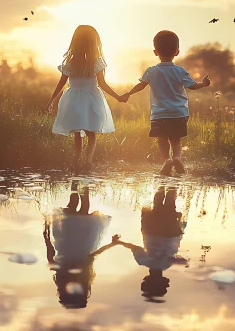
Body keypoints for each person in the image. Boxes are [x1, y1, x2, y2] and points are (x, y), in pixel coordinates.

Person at [122, 30, 210, 174]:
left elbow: (141, 86)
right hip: (178, 113)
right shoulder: (180, 71)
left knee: (162, 139)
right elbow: (193, 86)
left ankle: (166, 160)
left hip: (159, 113)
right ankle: (177, 157)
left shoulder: (151, 71)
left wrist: (128, 93)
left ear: (156, 52)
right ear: (177, 52)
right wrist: (204, 83)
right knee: (176, 140)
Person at [45, 25, 128, 170]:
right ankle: (88, 160)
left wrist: (51, 100)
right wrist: (118, 97)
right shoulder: (96, 62)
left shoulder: (71, 62)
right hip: (91, 98)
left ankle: (77, 160)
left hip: (73, 100)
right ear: (94, 42)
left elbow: (61, 83)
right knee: (91, 132)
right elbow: (102, 84)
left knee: (77, 131)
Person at [43, 180, 120, 309]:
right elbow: (51, 257)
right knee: (75, 206)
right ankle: (77, 180)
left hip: (80, 240)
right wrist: (46, 238)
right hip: (68, 239)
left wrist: (112, 244)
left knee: (83, 207)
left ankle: (81, 180)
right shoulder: (68, 275)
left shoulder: (82, 276)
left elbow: (94, 255)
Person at [116, 186, 186, 302]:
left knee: (170, 203)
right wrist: (119, 242)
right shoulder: (143, 261)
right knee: (157, 204)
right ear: (146, 280)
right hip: (152, 229)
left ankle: (173, 182)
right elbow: (134, 247)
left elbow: (180, 256)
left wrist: (184, 262)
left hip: (171, 231)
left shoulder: (167, 264)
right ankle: (162, 181)